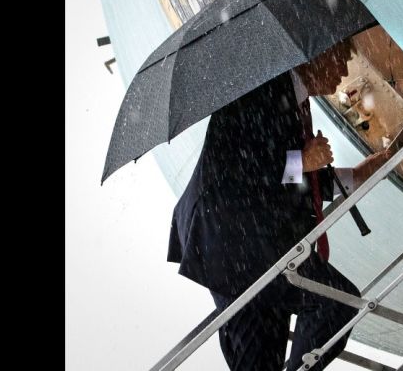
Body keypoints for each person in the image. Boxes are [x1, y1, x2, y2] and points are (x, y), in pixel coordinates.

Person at [167, 39, 391, 370]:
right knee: (336, 303)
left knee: (258, 358)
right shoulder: (262, 89)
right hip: (234, 240)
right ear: (316, 53)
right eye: (340, 59)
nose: (344, 71)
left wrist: (358, 174)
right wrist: (301, 159)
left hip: (239, 246)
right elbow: (240, 165)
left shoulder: (293, 100)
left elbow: (288, 180)